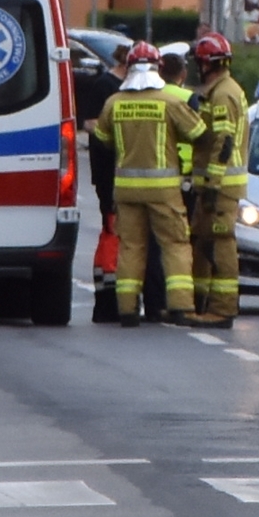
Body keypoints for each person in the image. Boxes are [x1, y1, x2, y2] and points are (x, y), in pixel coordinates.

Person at [92, 42, 210, 327]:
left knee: (131, 247)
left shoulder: (114, 102)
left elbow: (102, 140)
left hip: (126, 190)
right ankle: (181, 306)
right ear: (157, 67)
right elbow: (199, 134)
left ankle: (127, 310)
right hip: (164, 190)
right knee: (175, 245)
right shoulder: (169, 103)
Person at [189, 32, 249, 327]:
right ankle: (198, 304)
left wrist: (212, 185)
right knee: (202, 241)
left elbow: (223, 142)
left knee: (221, 242)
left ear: (206, 64)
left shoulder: (224, 94)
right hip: (214, 184)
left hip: (222, 185)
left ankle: (223, 309)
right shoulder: (220, 90)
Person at [77, 44, 127, 322]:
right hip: (108, 171)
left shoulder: (122, 86)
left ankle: (112, 291)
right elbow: (90, 123)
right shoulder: (105, 85)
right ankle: (107, 296)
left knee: (116, 232)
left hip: (118, 171)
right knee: (112, 230)